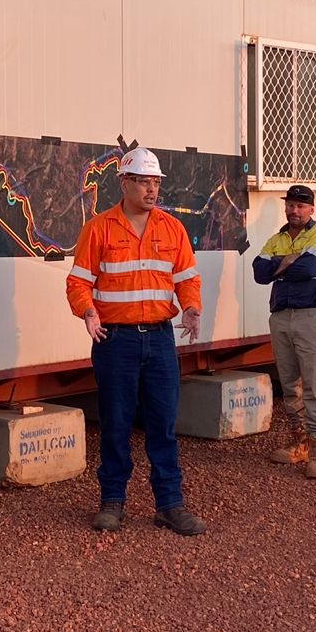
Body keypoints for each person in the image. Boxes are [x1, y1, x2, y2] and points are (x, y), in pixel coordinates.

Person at [67, 147, 205, 535]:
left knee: (162, 424)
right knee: (116, 423)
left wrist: (190, 307)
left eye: (156, 182)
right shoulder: (99, 229)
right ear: (124, 183)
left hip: (160, 339)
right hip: (116, 341)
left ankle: (170, 504)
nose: (151, 189)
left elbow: (187, 278)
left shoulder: (171, 228)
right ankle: (112, 502)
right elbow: (78, 281)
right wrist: (88, 312)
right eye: (143, 182)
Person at [252, 184, 316, 478]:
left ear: (311, 209)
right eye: (290, 204)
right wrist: (289, 260)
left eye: (301, 206)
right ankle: (300, 443)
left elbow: (310, 267)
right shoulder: (278, 238)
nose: (294, 210)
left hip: (312, 315)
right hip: (281, 316)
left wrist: (280, 265)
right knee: (290, 384)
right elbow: (258, 273)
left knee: (315, 385)